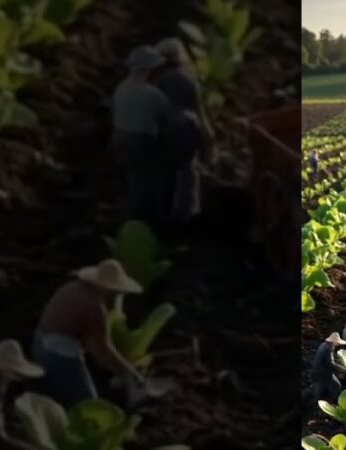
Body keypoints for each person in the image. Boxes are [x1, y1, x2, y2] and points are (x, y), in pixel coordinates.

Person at [32, 259, 148, 408]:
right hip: (59, 355)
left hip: (39, 345)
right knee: (89, 406)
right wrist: (130, 374)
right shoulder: (93, 307)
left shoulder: (71, 287)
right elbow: (101, 350)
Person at [154, 38, 213, 224]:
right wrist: (208, 137)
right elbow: (199, 112)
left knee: (165, 172)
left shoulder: (158, 81)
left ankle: (165, 212)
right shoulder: (189, 80)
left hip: (168, 130)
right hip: (188, 129)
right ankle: (188, 213)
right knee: (188, 172)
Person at [112, 45, 171, 223]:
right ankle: (139, 220)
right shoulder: (151, 93)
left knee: (133, 178)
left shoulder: (121, 88)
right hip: (141, 140)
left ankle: (132, 215)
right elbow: (165, 115)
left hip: (120, 137)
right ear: (149, 69)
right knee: (147, 181)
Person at [311, 333, 346, 402]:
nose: (337, 344)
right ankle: (330, 400)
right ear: (334, 342)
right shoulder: (328, 349)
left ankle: (316, 400)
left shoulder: (323, 345)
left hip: (317, 369)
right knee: (336, 385)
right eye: (337, 342)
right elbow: (331, 363)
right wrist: (343, 369)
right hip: (324, 372)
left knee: (320, 386)